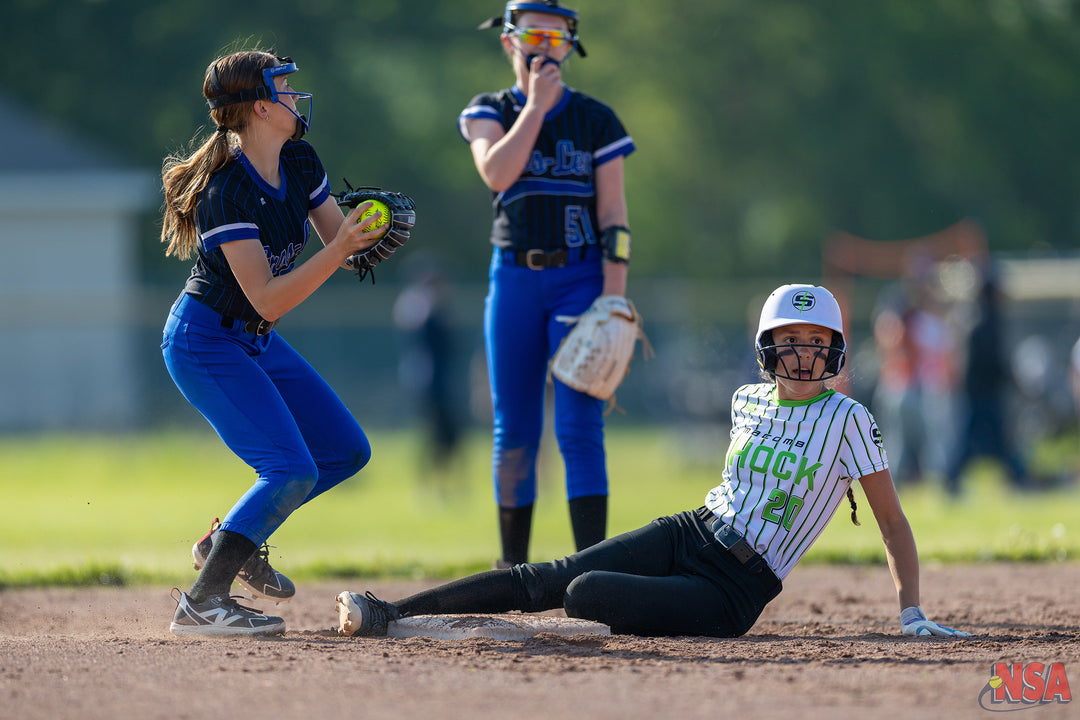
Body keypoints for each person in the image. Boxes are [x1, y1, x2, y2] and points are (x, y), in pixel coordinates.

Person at [336, 284, 973, 640]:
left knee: (585, 593)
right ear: (766, 348)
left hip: (735, 588)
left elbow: (890, 522)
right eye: (789, 339)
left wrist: (911, 611)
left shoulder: (850, 420)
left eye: (815, 341)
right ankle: (393, 611)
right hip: (691, 529)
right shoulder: (746, 398)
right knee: (547, 575)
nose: (802, 351)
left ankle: (582, 622)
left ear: (834, 349)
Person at [160, 49, 390, 636]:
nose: (294, 95)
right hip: (204, 340)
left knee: (343, 451)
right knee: (288, 468)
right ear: (261, 108)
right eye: (284, 88)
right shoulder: (225, 191)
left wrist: (367, 231)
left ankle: (228, 541)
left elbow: (341, 243)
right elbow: (267, 298)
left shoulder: (300, 158)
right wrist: (338, 251)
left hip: (253, 339)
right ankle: (202, 604)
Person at [460, 0, 637, 567]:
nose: (546, 49)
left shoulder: (596, 120)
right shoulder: (491, 109)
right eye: (534, 36)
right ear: (509, 41)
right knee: (513, 427)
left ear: (571, 46)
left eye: (558, 39)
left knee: (578, 425)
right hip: (513, 275)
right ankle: (513, 569)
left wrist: (613, 295)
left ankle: (594, 571)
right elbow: (496, 172)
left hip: (580, 277)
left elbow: (615, 216)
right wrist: (534, 108)